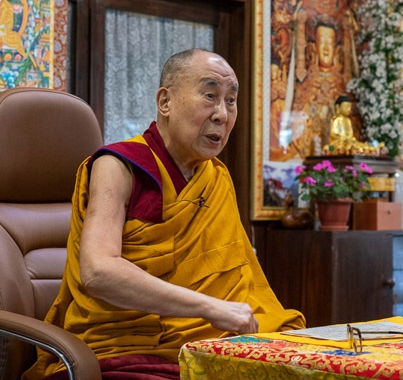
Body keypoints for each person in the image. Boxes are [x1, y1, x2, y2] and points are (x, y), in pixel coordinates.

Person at [27, 49, 305, 379]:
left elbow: (239, 282)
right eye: (210, 95)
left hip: (209, 346)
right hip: (123, 350)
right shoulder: (118, 167)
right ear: (165, 102)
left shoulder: (215, 179)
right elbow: (98, 271)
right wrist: (209, 308)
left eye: (231, 101)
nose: (222, 114)